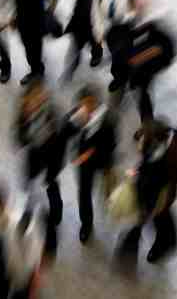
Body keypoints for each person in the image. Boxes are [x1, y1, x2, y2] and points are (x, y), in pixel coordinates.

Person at [118, 118, 177, 263]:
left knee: (157, 217)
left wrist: (136, 176)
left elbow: (151, 182)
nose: (139, 143)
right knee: (158, 218)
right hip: (157, 191)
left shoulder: (164, 160)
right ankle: (162, 243)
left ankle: (163, 245)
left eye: (143, 139)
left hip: (158, 194)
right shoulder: (162, 143)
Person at [13, 80, 67, 257]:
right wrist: (26, 127)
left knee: (50, 197)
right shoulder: (23, 113)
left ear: (44, 97)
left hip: (50, 165)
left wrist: (54, 170)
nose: (34, 102)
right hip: (32, 163)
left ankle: (54, 223)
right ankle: (28, 215)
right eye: (31, 98)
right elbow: (19, 138)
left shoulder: (54, 117)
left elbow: (61, 148)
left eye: (38, 97)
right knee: (30, 193)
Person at [62, 84, 118, 244]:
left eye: (90, 103)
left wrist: (93, 153)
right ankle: (86, 224)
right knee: (84, 193)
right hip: (84, 164)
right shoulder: (78, 114)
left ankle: (109, 207)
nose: (87, 107)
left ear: (97, 103)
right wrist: (74, 121)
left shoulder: (108, 119)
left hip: (101, 161)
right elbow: (65, 132)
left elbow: (111, 146)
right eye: (83, 104)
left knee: (106, 190)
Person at [10, 0, 58, 84]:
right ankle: (35, 68)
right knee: (27, 48)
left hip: (37, 22)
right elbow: (11, 0)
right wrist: (12, 18)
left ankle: (37, 72)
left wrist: (49, 11)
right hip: (22, 22)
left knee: (36, 48)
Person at [92, 0, 136, 92]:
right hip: (109, 27)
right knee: (115, 54)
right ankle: (118, 77)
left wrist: (123, 19)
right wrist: (99, 36)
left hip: (125, 26)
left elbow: (133, 12)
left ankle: (130, 76)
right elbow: (96, 16)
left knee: (125, 53)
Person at [62, 0, 104, 81]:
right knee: (75, 47)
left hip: (92, 20)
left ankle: (97, 55)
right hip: (78, 19)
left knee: (94, 42)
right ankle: (70, 69)